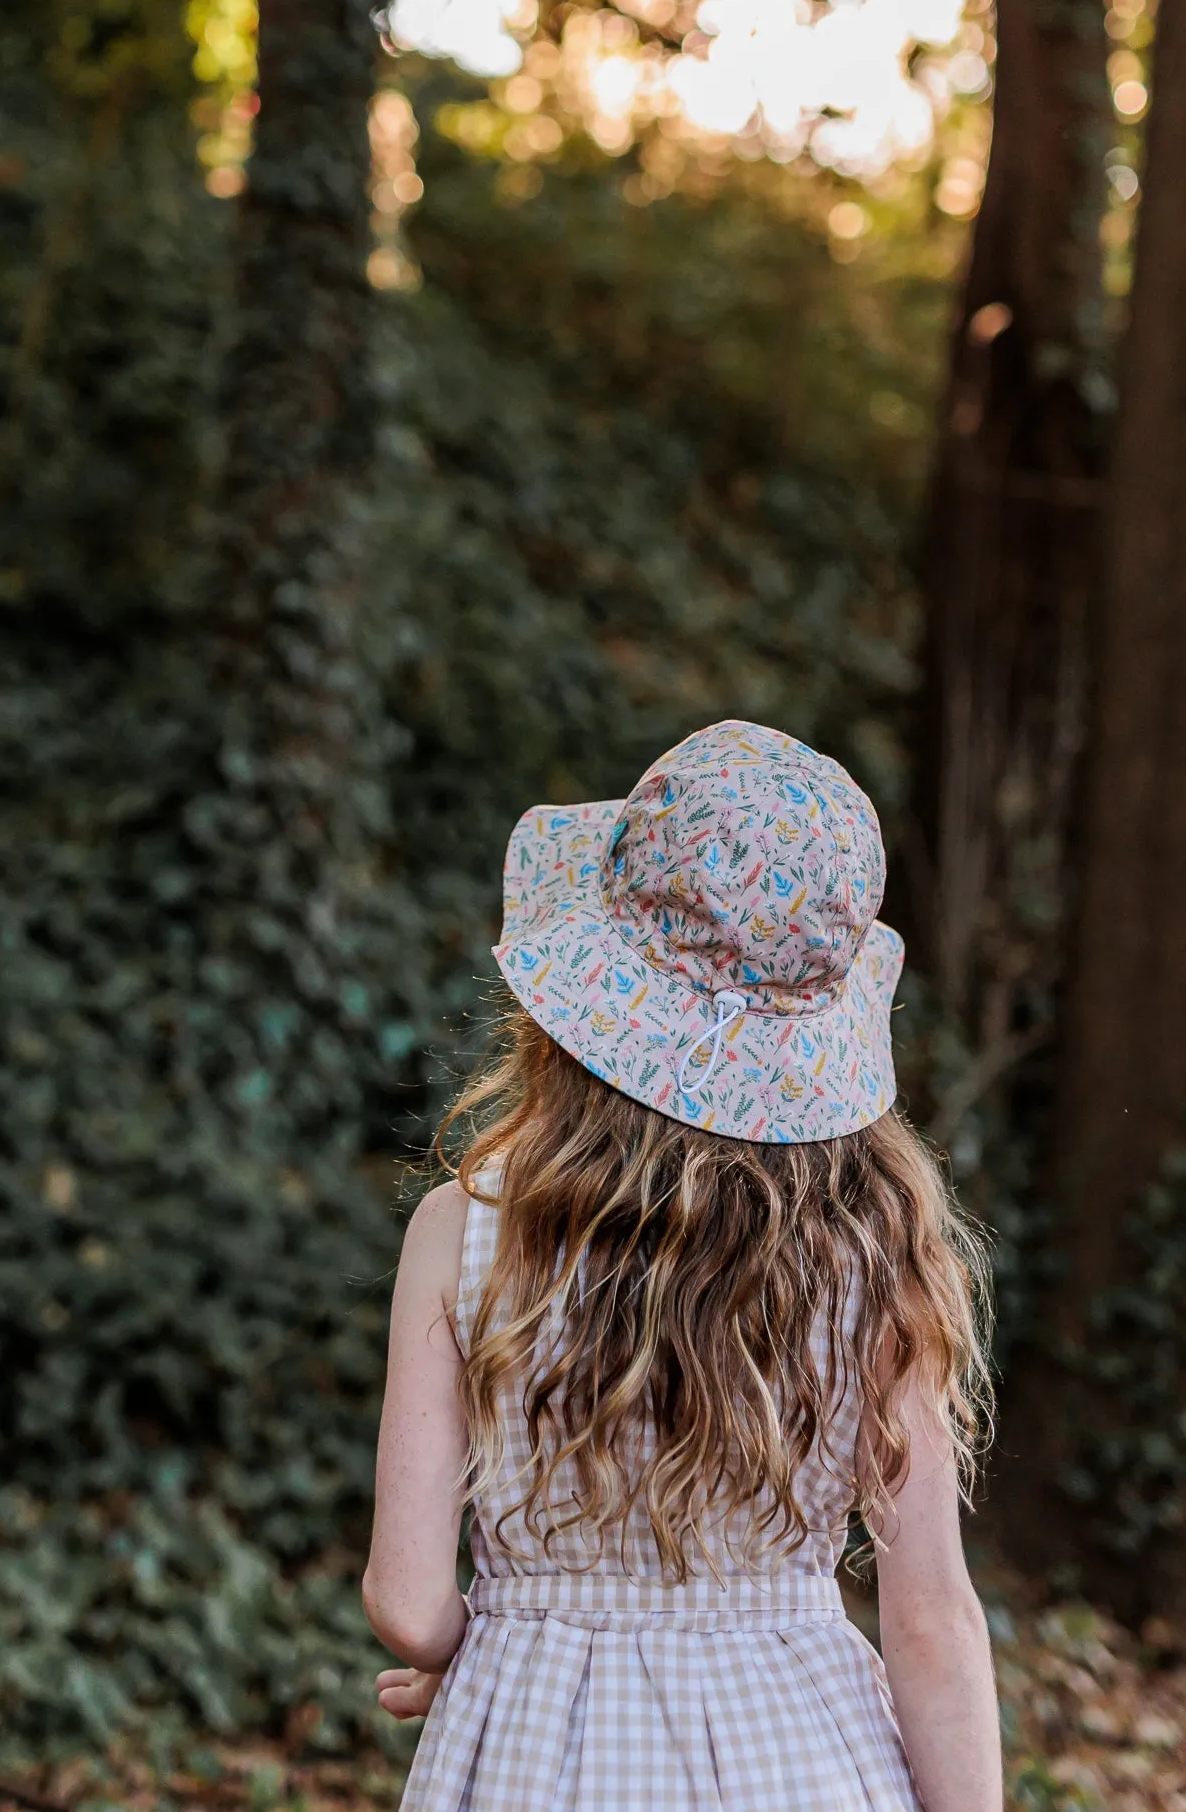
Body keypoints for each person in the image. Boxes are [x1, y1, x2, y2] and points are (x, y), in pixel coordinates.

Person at [363, 721, 1001, 1811]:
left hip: (532, 1745)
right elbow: (931, 1615)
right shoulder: (875, 1253)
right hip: (800, 1753)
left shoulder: (461, 1231)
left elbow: (409, 1599)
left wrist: (477, 1638)